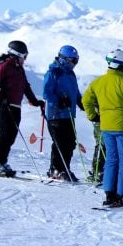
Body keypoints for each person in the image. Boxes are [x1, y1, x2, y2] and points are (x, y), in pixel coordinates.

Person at [82, 49, 123, 207]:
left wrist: (93, 116)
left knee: (111, 159)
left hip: (106, 126)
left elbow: (86, 100)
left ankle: (109, 193)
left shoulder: (98, 82)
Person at [0, 40, 45, 176]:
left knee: (11, 136)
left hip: (16, 107)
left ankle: (1, 161)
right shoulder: (6, 66)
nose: (25, 59)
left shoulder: (19, 68)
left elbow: (25, 86)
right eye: (24, 56)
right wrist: (0, 99)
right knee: (4, 135)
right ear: (17, 54)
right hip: (5, 106)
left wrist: (35, 102)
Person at [89, 58, 123, 183]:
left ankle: (109, 177)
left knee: (113, 152)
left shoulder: (122, 80)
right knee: (103, 145)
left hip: (113, 121)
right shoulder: (121, 81)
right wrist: (95, 114)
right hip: (106, 120)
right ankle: (98, 171)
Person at [42, 45, 82, 181]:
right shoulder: (53, 72)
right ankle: (55, 169)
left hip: (69, 114)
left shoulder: (71, 74)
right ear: (63, 58)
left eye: (76, 61)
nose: (74, 64)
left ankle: (65, 168)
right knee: (59, 143)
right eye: (73, 60)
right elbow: (46, 93)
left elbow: (75, 92)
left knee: (70, 143)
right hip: (56, 115)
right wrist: (59, 101)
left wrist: (82, 103)